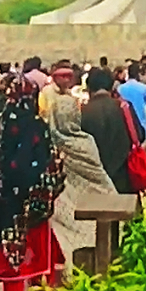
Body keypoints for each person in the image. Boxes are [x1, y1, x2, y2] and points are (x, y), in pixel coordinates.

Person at [0, 76, 66, 291]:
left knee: (12, 275)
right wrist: (45, 198)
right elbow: (52, 169)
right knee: (39, 272)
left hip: (4, 215)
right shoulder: (37, 127)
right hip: (33, 214)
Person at [48, 93, 115, 267]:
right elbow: (98, 176)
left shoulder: (47, 143)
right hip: (91, 202)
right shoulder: (86, 142)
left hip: (60, 207)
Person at [81, 68, 139, 194]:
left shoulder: (82, 111)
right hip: (123, 173)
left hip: (91, 177)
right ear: (112, 85)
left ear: (89, 87)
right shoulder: (124, 107)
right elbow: (138, 134)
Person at [117, 61, 146, 135]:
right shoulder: (144, 88)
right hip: (141, 119)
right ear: (138, 74)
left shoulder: (120, 88)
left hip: (126, 120)